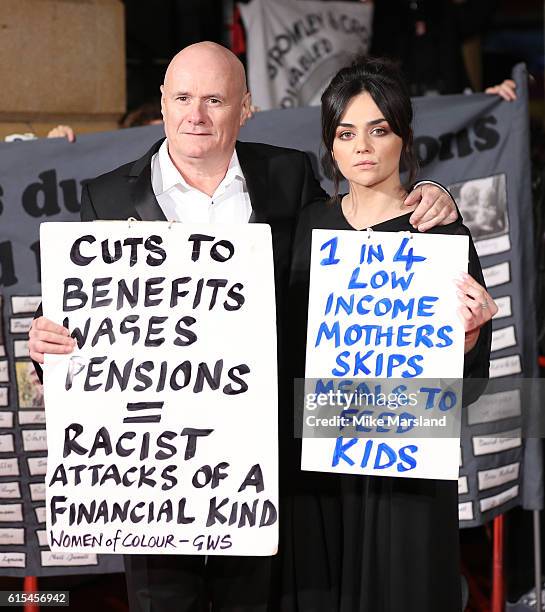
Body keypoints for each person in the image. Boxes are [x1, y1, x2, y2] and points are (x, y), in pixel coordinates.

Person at [29, 42, 459, 611]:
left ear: (246, 107)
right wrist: (46, 348)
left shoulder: (286, 175)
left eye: (214, 99)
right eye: (182, 97)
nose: (196, 115)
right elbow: (83, 326)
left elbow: (354, 242)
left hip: (262, 476)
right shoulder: (105, 198)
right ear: (161, 102)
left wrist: (430, 201)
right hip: (151, 478)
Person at [283, 57, 497, 612]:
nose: (363, 147)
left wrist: (468, 340)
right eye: (346, 133)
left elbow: (469, 388)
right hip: (320, 473)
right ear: (330, 145)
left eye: (379, 130)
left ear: (403, 136)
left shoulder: (442, 232)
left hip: (407, 474)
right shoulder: (306, 227)